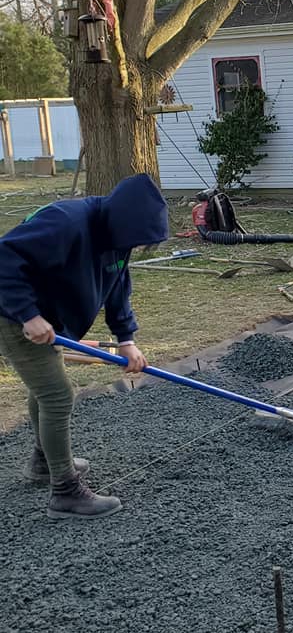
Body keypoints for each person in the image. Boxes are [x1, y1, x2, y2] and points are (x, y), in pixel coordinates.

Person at [0, 173, 169, 519]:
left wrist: (127, 340)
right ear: (121, 218)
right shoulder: (66, 222)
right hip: (13, 315)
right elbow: (4, 259)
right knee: (58, 394)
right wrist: (28, 314)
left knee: (45, 389)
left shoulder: (118, 237)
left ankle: (44, 462)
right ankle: (65, 492)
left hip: (48, 320)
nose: (133, 246)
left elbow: (117, 287)